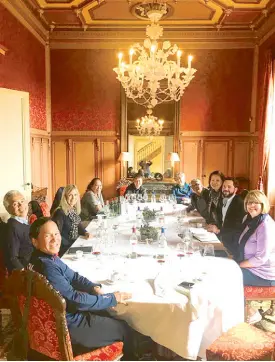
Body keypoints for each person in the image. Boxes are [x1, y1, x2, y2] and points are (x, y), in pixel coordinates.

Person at [29, 217, 135, 359]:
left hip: (60, 319)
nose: (55, 239)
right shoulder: (47, 266)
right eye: (48, 236)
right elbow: (76, 300)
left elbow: (74, 277)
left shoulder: (47, 258)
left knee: (106, 311)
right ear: (34, 241)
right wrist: (112, 298)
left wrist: (93, 288)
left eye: (56, 234)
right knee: (125, 328)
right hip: (68, 328)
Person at [236, 190, 275, 324]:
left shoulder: (265, 226)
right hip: (252, 267)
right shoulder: (252, 220)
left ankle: (252, 312)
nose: (251, 205)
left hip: (264, 274)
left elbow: (261, 258)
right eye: (248, 202)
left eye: (255, 202)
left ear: (263, 204)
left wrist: (238, 265)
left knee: (230, 276)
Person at [207, 177, 246, 257]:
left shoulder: (240, 203)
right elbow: (221, 220)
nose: (225, 189)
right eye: (224, 186)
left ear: (235, 189)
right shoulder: (222, 200)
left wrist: (218, 230)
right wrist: (214, 225)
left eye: (229, 187)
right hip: (223, 239)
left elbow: (238, 226)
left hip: (234, 243)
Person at [52, 185, 91, 257]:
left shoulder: (72, 209)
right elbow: (57, 235)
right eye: (70, 195)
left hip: (74, 243)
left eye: (75, 195)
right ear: (65, 196)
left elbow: (78, 225)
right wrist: (71, 246)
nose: (73, 198)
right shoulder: (60, 212)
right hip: (65, 249)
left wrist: (85, 232)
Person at [3, 190, 33, 272]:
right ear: (8, 209)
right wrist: (25, 274)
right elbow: (12, 258)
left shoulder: (24, 222)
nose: (21, 205)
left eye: (22, 201)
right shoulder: (13, 227)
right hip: (28, 272)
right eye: (15, 204)